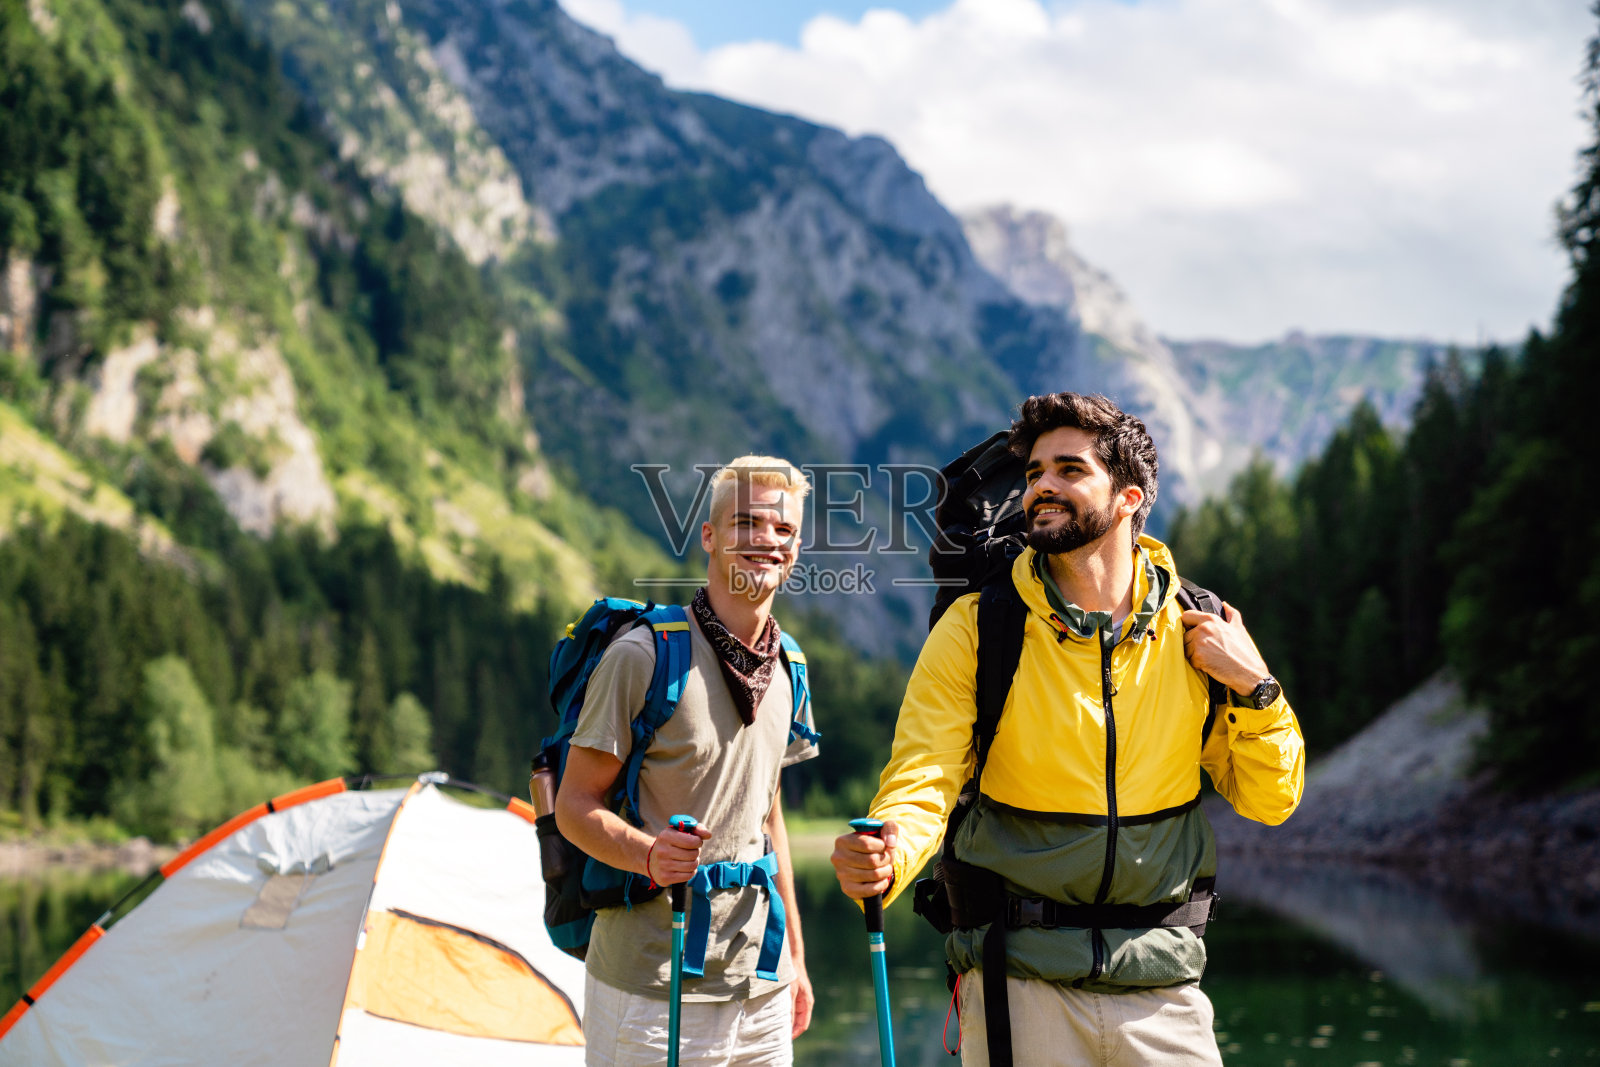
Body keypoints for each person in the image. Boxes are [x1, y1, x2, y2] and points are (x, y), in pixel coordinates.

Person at [831, 393, 1304, 1067]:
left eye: (1069, 469)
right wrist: (889, 851)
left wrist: (1258, 688)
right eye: (1033, 472)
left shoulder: (1198, 630)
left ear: (1129, 498)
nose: (1042, 485)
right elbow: (924, 775)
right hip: (1020, 986)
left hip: (1164, 986)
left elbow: (1272, 797)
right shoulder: (977, 627)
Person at [555, 456, 818, 1067]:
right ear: (709, 536)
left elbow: (768, 820)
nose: (766, 541)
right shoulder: (641, 655)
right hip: (651, 982)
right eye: (747, 522)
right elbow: (574, 805)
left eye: (783, 531)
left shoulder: (790, 668)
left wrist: (797, 959)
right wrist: (649, 855)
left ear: (797, 547)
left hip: (761, 983)